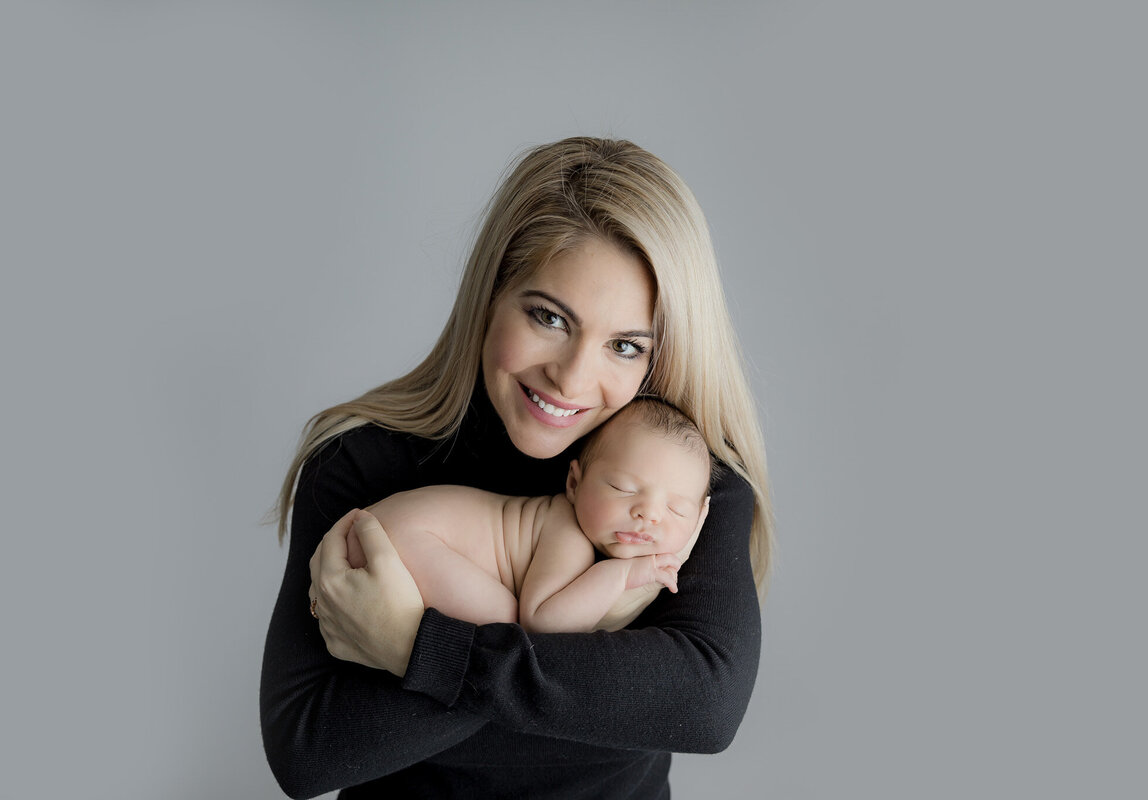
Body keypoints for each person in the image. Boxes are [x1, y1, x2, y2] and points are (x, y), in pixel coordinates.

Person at [261, 136, 774, 799]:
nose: (571, 376)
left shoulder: (676, 487)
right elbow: (307, 753)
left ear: (657, 355)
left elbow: (706, 706)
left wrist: (415, 649)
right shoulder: (362, 464)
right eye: (548, 317)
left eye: (623, 345)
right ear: (490, 296)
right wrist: (574, 664)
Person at [344, 397, 714, 634]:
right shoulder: (567, 532)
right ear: (573, 483)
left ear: (698, 519)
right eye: (623, 488)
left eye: (675, 509)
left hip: (389, 529)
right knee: (507, 628)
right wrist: (625, 575)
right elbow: (544, 624)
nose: (647, 514)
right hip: (400, 540)